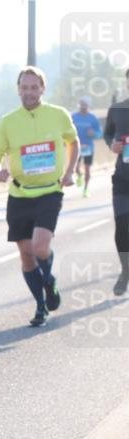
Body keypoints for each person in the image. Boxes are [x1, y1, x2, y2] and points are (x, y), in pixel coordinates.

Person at [0, 66, 79, 327]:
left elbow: (74, 142)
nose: (29, 92)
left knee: (39, 247)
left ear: (43, 89)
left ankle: (48, 280)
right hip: (19, 194)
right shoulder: (8, 121)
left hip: (50, 191)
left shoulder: (58, 115)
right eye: (24, 87)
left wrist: (70, 171)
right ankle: (40, 306)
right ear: (18, 89)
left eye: (34, 87)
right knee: (27, 254)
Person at [103, 67, 129, 296]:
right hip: (123, 178)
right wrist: (113, 144)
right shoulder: (118, 109)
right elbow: (108, 134)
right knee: (122, 226)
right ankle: (125, 271)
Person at [72, 96, 103, 197]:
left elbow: (100, 133)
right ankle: (79, 175)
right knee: (75, 167)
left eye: (85, 105)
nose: (82, 107)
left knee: (87, 168)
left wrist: (94, 133)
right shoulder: (73, 117)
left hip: (88, 147)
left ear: (88, 106)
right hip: (76, 146)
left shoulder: (92, 118)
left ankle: (86, 189)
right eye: (81, 104)